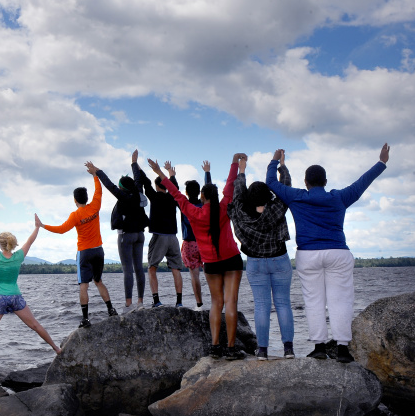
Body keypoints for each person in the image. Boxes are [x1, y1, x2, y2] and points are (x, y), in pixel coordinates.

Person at [266, 144, 390, 363]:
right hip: (337, 253)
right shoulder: (339, 197)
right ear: (325, 181)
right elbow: (362, 182)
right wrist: (381, 163)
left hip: (308, 255)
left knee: (314, 301)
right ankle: (342, 349)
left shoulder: (297, 196)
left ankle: (319, 347)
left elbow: (271, 183)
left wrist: (275, 161)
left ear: (306, 182)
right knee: (340, 300)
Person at [147, 155, 245, 360]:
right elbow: (230, 185)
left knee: (217, 303)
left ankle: (215, 346)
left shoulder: (193, 212)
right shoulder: (224, 206)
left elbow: (176, 194)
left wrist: (160, 173)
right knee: (231, 302)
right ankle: (232, 348)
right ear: (216, 195)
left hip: (211, 263)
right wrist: (235, 163)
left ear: (201, 197)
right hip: (231, 258)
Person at [0, 210, 63, 369]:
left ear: (0, 244)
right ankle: (56, 348)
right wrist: (37, 227)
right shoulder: (18, 256)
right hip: (15, 297)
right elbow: (30, 241)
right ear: (12, 244)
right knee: (35, 325)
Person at [229, 153, 295, 360]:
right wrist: (280, 166)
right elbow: (285, 187)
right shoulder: (277, 208)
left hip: (255, 262)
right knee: (283, 303)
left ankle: (263, 351)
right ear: (267, 195)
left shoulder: (240, 211)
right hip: (280, 259)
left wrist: (241, 170)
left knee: (261, 305)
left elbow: (237, 192)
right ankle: (289, 350)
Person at [36, 162, 117, 328]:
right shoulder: (94, 206)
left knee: (84, 286)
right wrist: (95, 175)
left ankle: (86, 319)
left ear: (75, 200)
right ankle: (111, 310)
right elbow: (99, 191)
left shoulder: (75, 215)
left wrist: (43, 226)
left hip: (85, 252)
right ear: (86, 199)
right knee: (98, 281)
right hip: (99, 251)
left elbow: (61, 230)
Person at [132, 150, 185, 308]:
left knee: (152, 268)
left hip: (159, 236)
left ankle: (156, 301)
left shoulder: (154, 196)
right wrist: (171, 174)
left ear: (156, 186)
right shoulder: (173, 197)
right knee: (176, 269)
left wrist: (135, 163)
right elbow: (174, 187)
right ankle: (179, 302)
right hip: (173, 238)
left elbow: (144, 180)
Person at [95, 163, 149, 308]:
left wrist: (98, 171)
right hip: (140, 235)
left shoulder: (123, 196)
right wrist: (134, 163)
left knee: (127, 269)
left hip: (126, 236)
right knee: (139, 268)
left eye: (120, 187)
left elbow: (109, 185)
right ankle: (140, 302)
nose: (118, 189)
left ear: (122, 188)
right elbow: (137, 179)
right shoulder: (138, 192)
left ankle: (128, 303)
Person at [178, 162, 213, 311]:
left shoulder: (184, 205)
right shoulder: (204, 205)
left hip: (190, 243)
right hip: (204, 243)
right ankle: (216, 302)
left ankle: (199, 304)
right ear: (199, 192)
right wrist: (207, 172)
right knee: (210, 274)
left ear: (186, 193)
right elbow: (210, 190)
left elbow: (173, 192)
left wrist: (171, 176)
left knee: (194, 275)